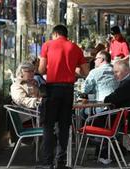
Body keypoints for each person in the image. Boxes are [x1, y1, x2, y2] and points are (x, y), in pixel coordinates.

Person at [38, 25, 89, 169]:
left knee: (48, 126)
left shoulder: (47, 45)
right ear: (66, 35)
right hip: (68, 90)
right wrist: (72, 70)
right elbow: (86, 71)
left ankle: (47, 163)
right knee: (64, 126)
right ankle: (61, 162)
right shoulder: (75, 47)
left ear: (55, 34)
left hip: (52, 89)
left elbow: (41, 69)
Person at [104, 60, 130, 131]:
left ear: (126, 71)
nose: (114, 75)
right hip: (129, 119)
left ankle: (98, 141)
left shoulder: (127, 84)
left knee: (93, 119)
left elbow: (109, 99)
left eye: (117, 72)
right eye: (114, 72)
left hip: (125, 121)